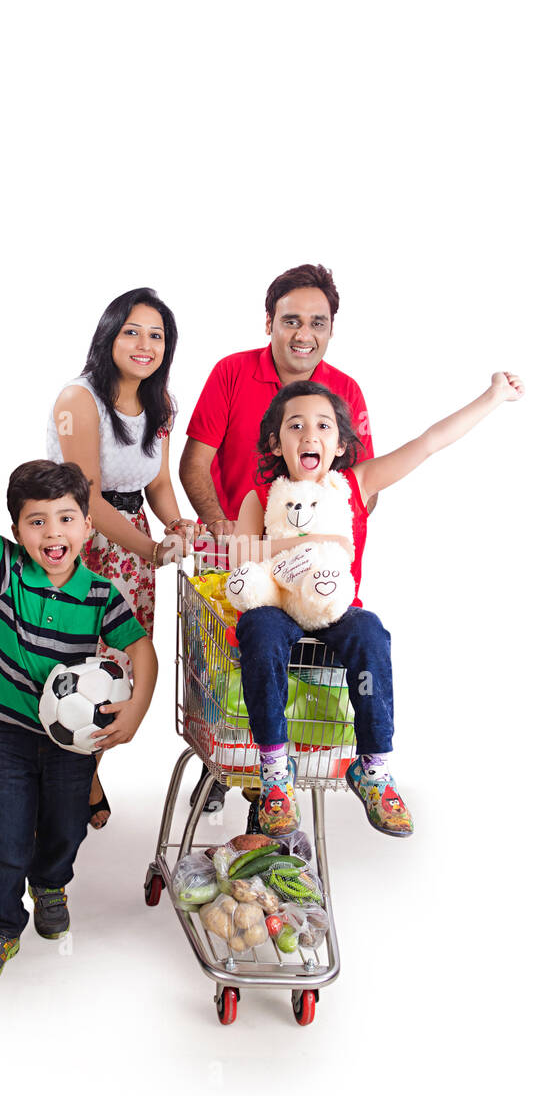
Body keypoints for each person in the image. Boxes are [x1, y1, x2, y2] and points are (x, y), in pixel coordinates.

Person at [227, 373, 525, 838]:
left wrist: (492, 397)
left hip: (333, 609)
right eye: (296, 426)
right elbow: (241, 566)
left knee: (370, 630)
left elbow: (428, 443)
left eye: (324, 426)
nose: (310, 435)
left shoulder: (355, 484)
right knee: (260, 629)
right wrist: (304, 543)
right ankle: (274, 776)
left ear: (343, 444)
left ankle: (374, 768)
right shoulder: (260, 498)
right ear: (274, 442)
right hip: (278, 609)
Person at [0, 433, 158, 985]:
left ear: (87, 525)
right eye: (37, 522)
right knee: (4, 834)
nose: (53, 533)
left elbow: (141, 649)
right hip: (8, 732)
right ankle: (0, 925)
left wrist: (137, 709)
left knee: (64, 828)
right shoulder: (6, 570)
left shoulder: (102, 595)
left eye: (66, 518)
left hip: (71, 744)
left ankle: (50, 882)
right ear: (18, 530)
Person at [181, 261, 375, 813]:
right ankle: (229, 766)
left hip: (316, 576)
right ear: (268, 322)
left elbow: (366, 481)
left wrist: (326, 540)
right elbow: (196, 463)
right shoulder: (232, 374)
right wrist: (222, 525)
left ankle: (274, 795)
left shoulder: (346, 391)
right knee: (231, 675)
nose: (304, 334)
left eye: (318, 321)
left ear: (331, 328)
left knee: (307, 687)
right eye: (291, 320)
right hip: (240, 562)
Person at [47, 288, 197, 829]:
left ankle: (86, 769)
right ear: (109, 333)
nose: (144, 344)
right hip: (78, 543)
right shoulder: (79, 399)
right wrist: (153, 549)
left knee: (119, 670)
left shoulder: (161, 405)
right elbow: (85, 497)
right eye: (132, 330)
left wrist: (174, 523)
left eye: (156, 335)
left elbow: (156, 477)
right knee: (68, 662)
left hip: (132, 546)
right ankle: (61, 784)